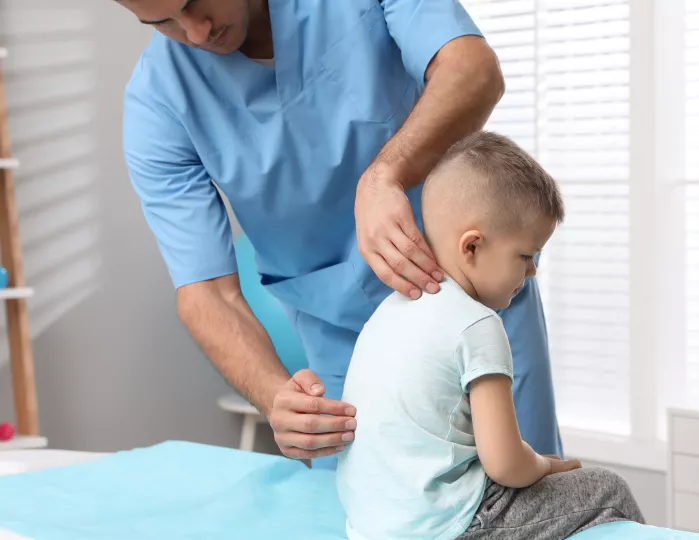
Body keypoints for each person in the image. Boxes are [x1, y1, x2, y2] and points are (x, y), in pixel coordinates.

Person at [117, 0, 563, 467]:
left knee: (528, 504)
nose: (195, 31)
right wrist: (275, 398)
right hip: (343, 339)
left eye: (193, 1)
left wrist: (384, 175)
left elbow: (472, 72)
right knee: (367, 510)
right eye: (161, 21)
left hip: (476, 299)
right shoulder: (158, 101)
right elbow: (207, 292)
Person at [336, 131, 644, 540]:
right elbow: (505, 465)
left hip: (371, 527)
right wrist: (546, 465)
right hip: (449, 527)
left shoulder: (389, 310)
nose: (533, 272)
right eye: (526, 256)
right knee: (608, 492)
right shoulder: (476, 324)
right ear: (473, 246)